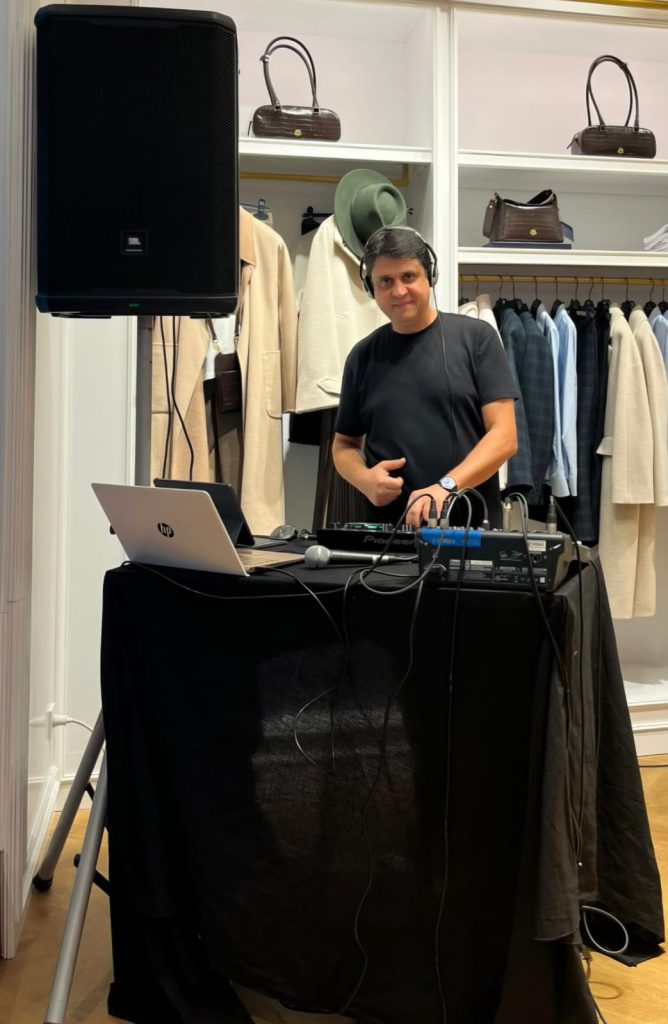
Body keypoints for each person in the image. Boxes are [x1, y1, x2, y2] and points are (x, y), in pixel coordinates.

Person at [332, 227, 518, 527]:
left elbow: (505, 437)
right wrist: (365, 479)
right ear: (371, 288)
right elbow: (344, 445)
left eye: (408, 277)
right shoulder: (362, 356)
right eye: (385, 281)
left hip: (469, 528)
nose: (398, 291)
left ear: (430, 276)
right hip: (388, 532)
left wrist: (445, 487)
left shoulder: (477, 338)